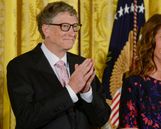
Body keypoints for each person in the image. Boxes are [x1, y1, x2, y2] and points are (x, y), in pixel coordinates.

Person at [7, 1, 111, 129]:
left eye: (75, 26)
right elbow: (27, 118)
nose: (72, 33)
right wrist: (71, 90)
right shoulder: (20, 66)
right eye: (65, 26)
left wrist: (86, 92)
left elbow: (102, 119)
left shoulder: (82, 65)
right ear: (46, 30)